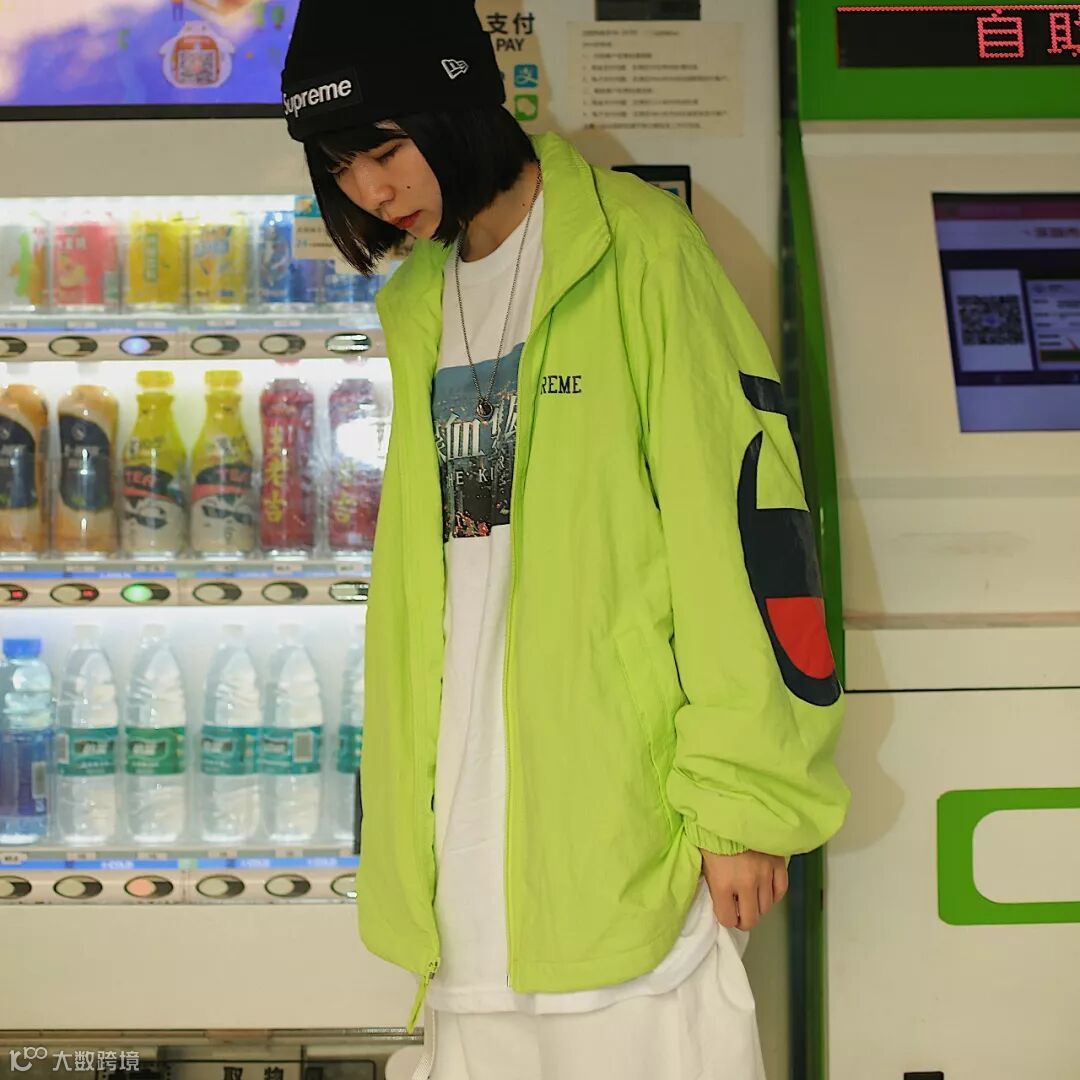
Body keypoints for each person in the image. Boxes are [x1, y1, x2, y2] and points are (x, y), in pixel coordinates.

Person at [281, 2, 851, 1077]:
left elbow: (742, 532)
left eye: (384, 152)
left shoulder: (638, 248)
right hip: (458, 851)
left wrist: (744, 804)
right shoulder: (418, 300)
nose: (369, 193)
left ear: (455, 103)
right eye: (340, 167)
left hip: (618, 827)